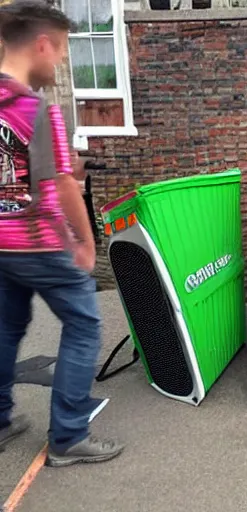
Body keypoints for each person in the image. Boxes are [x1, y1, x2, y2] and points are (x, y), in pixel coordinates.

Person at [0, 0, 124, 467]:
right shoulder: (35, 109)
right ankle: (69, 436)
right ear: (41, 44)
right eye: (61, 51)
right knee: (84, 325)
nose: (61, 62)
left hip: (0, 243)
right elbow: (63, 186)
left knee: (6, 327)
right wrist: (87, 243)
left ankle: (0, 421)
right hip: (40, 241)